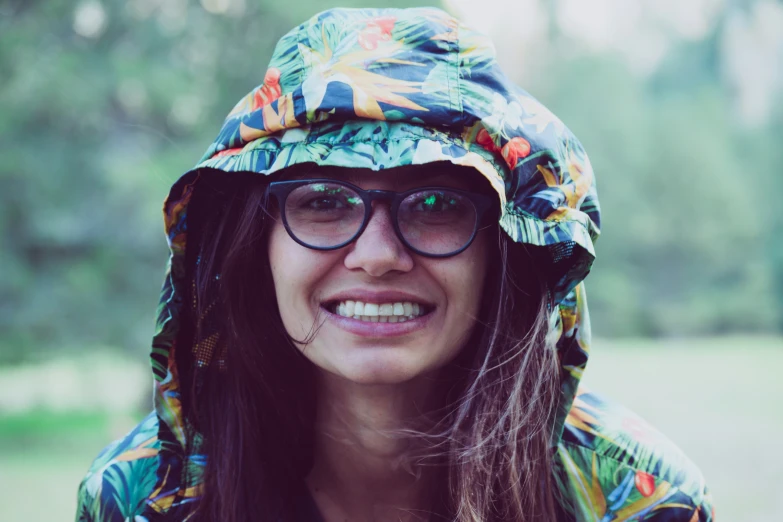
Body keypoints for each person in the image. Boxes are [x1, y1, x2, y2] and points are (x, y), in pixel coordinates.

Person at [76, 7, 714, 522]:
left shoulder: (637, 500)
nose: (377, 256)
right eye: (322, 202)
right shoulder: (139, 502)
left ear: (504, 251)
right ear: (255, 247)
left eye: (436, 204)